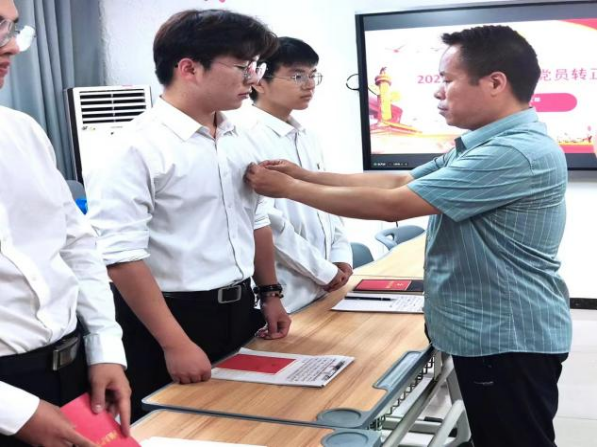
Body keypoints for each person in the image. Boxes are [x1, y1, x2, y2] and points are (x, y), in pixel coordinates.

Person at [246, 25, 572, 448]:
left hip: (504, 337)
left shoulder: (512, 152)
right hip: (496, 332)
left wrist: (289, 187)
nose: (438, 91)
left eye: (447, 79)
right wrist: (304, 176)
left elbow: (394, 204)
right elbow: (399, 181)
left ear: (495, 83)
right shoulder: (485, 144)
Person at [86, 9, 292, 422]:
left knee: (249, 423)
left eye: (256, 67)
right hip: (170, 318)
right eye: (243, 67)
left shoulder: (238, 136)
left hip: (240, 309)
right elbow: (121, 257)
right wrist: (174, 342)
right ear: (189, 68)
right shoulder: (133, 146)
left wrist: (270, 293)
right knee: (178, 428)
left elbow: (256, 219)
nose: (253, 80)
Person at [0, 1, 131, 446]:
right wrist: (13, 410)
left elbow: (76, 244)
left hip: (73, 371)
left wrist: (104, 347)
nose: (13, 46)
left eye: (14, 28)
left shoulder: (22, 131)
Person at [245, 37, 353, 313]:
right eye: (297, 76)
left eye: (313, 74)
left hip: (326, 284)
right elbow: (267, 220)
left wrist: (340, 255)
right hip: (287, 292)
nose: (309, 84)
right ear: (259, 82)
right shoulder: (246, 137)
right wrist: (322, 270)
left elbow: (327, 199)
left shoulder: (307, 136)